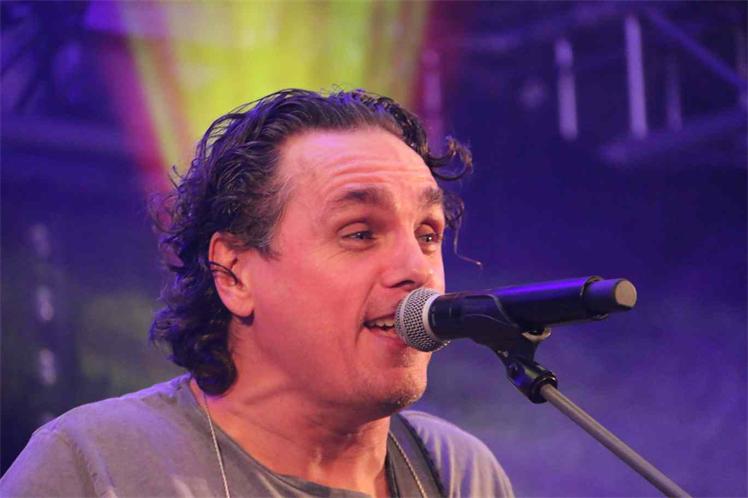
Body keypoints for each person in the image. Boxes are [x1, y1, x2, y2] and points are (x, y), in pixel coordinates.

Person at [1, 89, 513, 497]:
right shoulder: (94, 466)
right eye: (360, 233)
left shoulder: (459, 472)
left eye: (427, 234)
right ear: (234, 273)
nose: (416, 269)